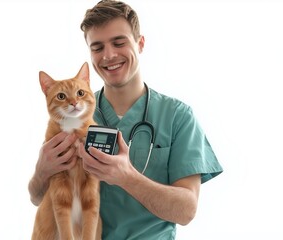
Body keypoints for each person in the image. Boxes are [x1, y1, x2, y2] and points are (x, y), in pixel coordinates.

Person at [28, 0, 223, 239]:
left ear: (140, 44)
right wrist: (41, 172)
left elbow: (186, 211)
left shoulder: (177, 116)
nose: (109, 55)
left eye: (119, 43)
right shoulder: (72, 114)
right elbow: (38, 198)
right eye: (97, 47)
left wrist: (126, 177)